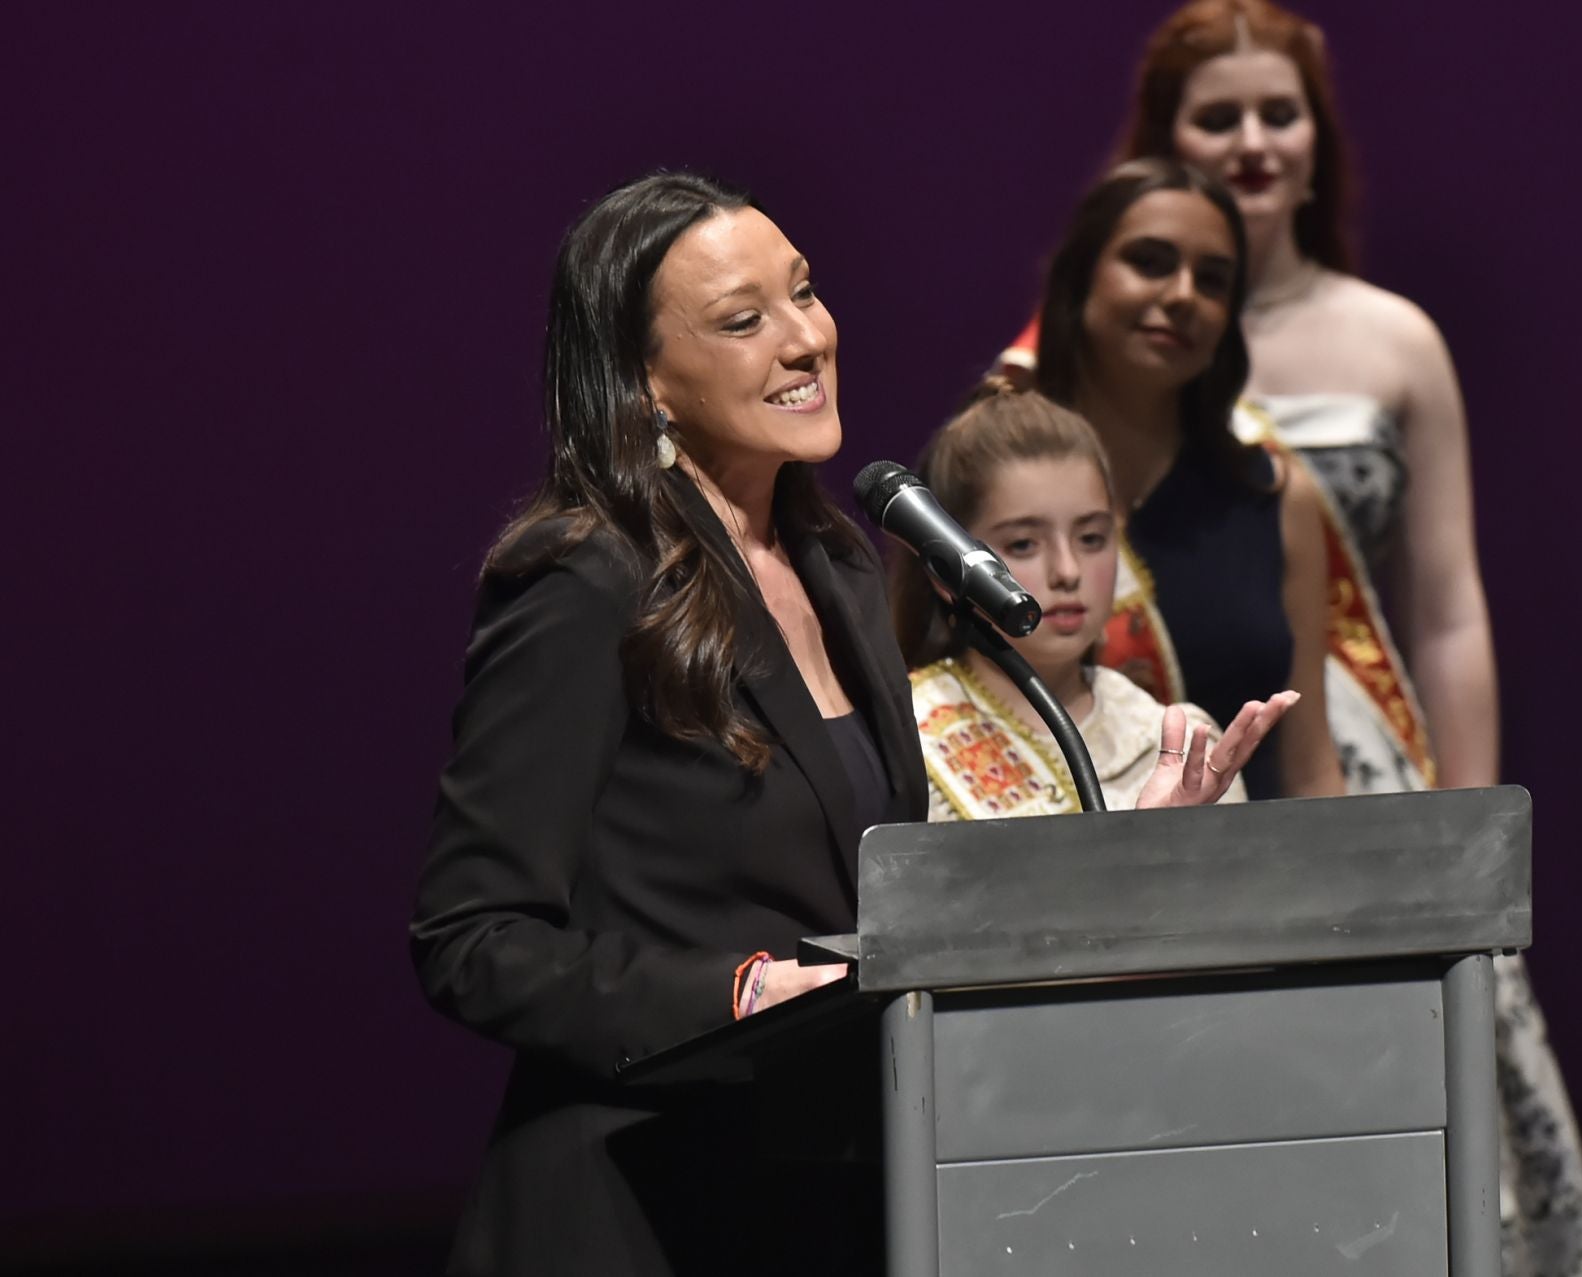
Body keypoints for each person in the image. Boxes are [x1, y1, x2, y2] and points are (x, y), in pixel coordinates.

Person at [411, 171, 1289, 1276]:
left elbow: (892, 903)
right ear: (645, 384)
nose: (805, 338)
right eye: (744, 320)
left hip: (827, 1200)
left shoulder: (839, 561)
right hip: (638, 1210)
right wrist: (731, 991)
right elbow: (473, 940)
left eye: (806, 293)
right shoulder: (586, 581)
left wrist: (1121, 843)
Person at [1025, 5, 1582, 1272]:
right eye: (1214, 116)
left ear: (1318, 135)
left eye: (1277, 113)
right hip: (1143, 759)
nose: (1250, 142)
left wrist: (1465, 823)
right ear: (1162, 138)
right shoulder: (1039, 374)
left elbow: (1446, 603)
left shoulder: (1395, 338)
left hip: (1331, 757)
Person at [1029, 156, 1345, 803]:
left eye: (1213, 280)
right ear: (1080, 277)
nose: (1181, 294)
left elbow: (1309, 764)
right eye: (1149, 261)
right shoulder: (995, 481)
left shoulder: (1278, 497)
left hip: (1252, 886)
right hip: (1047, 887)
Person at [892, 382, 1289, 818]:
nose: (1067, 571)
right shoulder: (906, 739)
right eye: (1023, 544)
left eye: (1092, 538)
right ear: (947, 569)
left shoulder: (1176, 743)